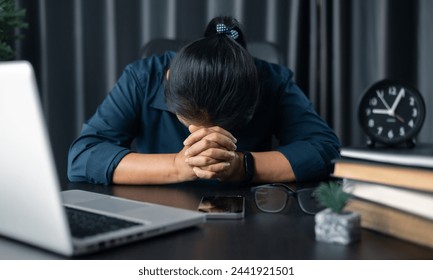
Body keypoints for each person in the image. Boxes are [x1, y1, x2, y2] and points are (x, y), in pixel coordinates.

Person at [67, 16, 341, 186]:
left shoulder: (272, 81)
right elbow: (82, 157)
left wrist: (242, 166)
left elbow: (327, 150)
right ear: (169, 79)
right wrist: (177, 166)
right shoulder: (143, 77)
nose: (205, 141)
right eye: (193, 124)